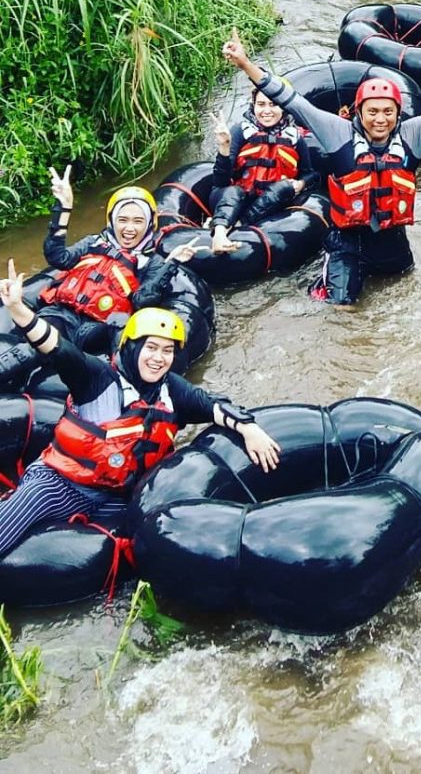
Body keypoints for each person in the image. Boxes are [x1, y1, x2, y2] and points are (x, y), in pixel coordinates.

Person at [0, 259, 280, 559]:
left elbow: (211, 405)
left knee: (144, 540)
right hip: (58, 484)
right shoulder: (97, 378)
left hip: (116, 498)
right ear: (132, 347)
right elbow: (58, 348)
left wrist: (247, 427)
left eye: (167, 350)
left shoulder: (171, 389)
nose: (158, 358)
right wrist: (18, 310)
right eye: (151, 347)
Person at [222, 28, 421, 306]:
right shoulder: (337, 132)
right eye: (373, 111)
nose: (381, 119)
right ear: (359, 112)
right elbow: (292, 100)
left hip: (391, 243)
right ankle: (320, 280)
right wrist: (246, 65)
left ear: (397, 113)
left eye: (388, 112)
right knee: (341, 308)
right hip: (346, 244)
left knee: (406, 292)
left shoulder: (414, 135)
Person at [0, 173, 199, 388]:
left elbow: (143, 300)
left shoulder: (152, 262)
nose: (129, 228)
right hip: (60, 314)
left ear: (150, 223)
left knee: (120, 321)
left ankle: (125, 387)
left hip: (95, 329)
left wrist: (173, 263)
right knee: (37, 345)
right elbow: (58, 257)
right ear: (112, 220)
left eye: (138, 221)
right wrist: (64, 208)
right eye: (122, 220)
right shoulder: (93, 243)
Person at [207, 88, 318, 254]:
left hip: (269, 203)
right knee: (234, 191)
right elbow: (220, 182)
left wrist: (301, 184)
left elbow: (312, 175)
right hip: (235, 198)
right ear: (253, 106)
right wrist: (224, 146)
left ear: (283, 107)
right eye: (261, 104)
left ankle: (238, 226)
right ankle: (220, 233)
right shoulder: (240, 131)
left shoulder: (295, 138)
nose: (267, 111)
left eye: (273, 105)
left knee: (284, 187)